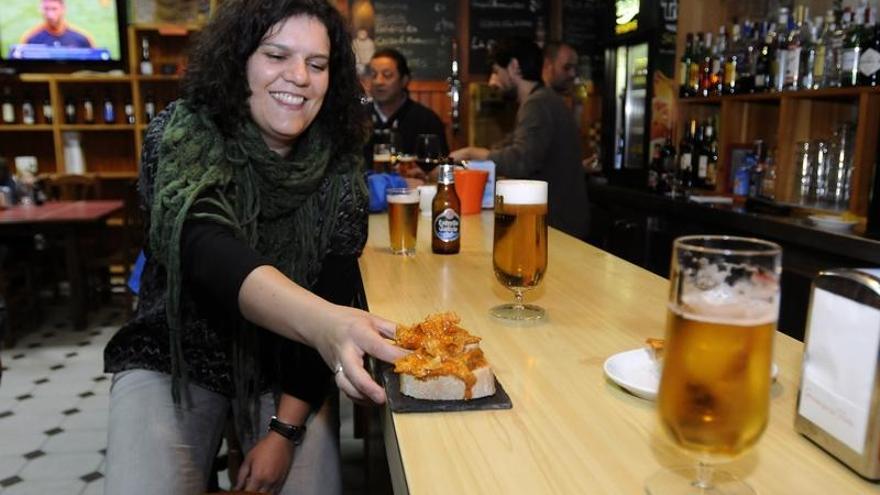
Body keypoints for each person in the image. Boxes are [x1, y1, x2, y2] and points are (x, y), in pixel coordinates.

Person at [103, 1, 406, 494]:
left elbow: (331, 292)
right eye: (276, 55)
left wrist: (284, 433)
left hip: (287, 363)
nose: (299, 77)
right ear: (238, 59)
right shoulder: (184, 132)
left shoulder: (340, 167)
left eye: (317, 64)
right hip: (177, 350)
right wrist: (327, 321)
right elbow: (204, 247)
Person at [450, 38, 589, 239]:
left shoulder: (537, 104)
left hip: (558, 228)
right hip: (560, 224)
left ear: (514, 67)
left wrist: (472, 153)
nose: (491, 82)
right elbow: (513, 145)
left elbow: (521, 161)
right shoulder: (543, 100)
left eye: (496, 72)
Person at [367, 47, 449, 157]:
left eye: (387, 75)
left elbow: (438, 167)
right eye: (373, 75)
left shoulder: (426, 120)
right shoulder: (355, 118)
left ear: (404, 80)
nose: (378, 82)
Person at [20, 0, 94, 48]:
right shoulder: (30, 38)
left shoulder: (82, 38)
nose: (50, 15)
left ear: (63, 9)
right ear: (41, 10)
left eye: (54, 9)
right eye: (46, 9)